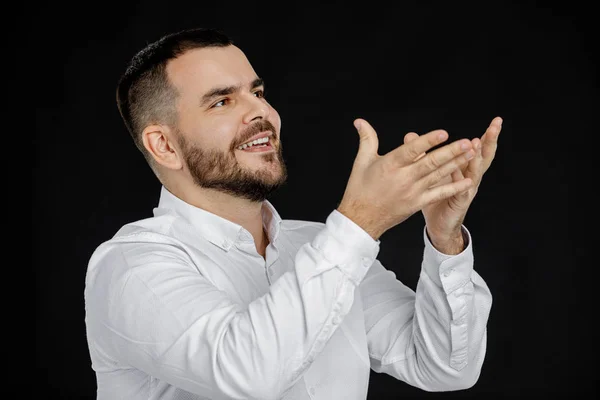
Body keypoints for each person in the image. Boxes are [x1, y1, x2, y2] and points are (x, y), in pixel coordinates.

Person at [84, 27, 501, 400]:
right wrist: (360, 221)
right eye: (222, 101)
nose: (261, 113)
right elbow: (249, 372)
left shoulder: (322, 246)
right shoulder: (130, 266)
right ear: (164, 146)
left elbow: (445, 368)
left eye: (258, 93)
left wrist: (445, 240)